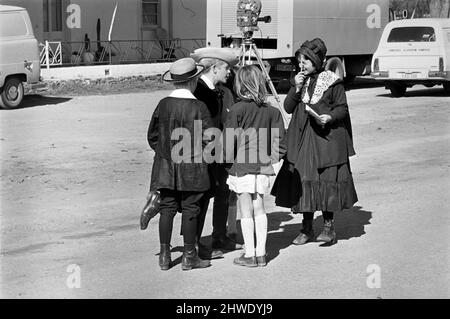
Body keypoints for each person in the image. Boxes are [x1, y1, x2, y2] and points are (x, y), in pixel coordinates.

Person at [271, 38, 358, 245]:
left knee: (326, 180)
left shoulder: (332, 81)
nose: (302, 66)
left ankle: (328, 227)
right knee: (304, 179)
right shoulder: (300, 79)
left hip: (326, 138)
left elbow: (342, 108)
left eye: (306, 62)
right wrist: (295, 87)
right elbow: (288, 107)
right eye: (300, 61)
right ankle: (307, 227)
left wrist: (330, 117)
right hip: (302, 138)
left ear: (317, 61)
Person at [147, 57, 213, 271]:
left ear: (174, 82)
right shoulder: (199, 107)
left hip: (166, 167)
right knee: (191, 209)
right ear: (193, 81)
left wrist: (165, 153)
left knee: (167, 209)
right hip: (193, 168)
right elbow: (210, 139)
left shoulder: (163, 105)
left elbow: (153, 136)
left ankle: (164, 256)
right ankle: (189, 257)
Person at [223, 65, 285, 267]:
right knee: (260, 208)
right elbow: (280, 143)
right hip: (263, 165)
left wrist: (226, 161)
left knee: (245, 210)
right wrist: (271, 160)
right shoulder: (273, 112)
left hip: (242, 165)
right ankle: (261, 254)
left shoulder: (237, 109)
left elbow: (227, 142)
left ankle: (249, 254)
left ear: (241, 85)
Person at [190, 47, 243, 257]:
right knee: (201, 198)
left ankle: (219, 236)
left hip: (221, 151)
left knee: (222, 193)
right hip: (204, 153)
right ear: (214, 68)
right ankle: (193, 244)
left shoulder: (221, 90)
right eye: (226, 68)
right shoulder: (199, 91)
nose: (229, 72)